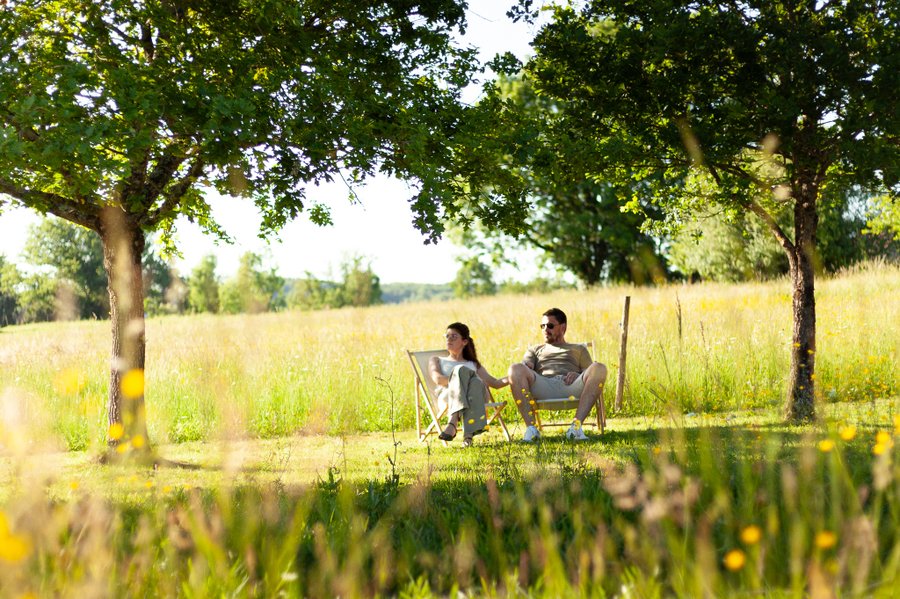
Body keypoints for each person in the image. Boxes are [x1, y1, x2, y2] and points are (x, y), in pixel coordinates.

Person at [508, 307, 607, 442]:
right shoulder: (535, 349)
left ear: (563, 327)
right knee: (515, 368)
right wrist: (525, 366)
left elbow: (590, 372)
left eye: (550, 325)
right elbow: (525, 366)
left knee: (599, 367)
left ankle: (575, 428)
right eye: (542, 326)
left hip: (571, 385)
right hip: (544, 385)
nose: (545, 329)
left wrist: (578, 374)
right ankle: (531, 430)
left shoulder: (578, 349)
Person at [429, 322, 509, 446]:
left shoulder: (473, 364)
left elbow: (495, 383)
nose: (449, 339)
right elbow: (438, 379)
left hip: (476, 397)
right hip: (448, 397)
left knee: (474, 382)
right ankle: (468, 436)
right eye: (447, 336)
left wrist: (515, 375)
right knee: (467, 375)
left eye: (454, 336)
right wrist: (461, 378)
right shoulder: (437, 360)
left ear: (464, 342)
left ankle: (453, 422)